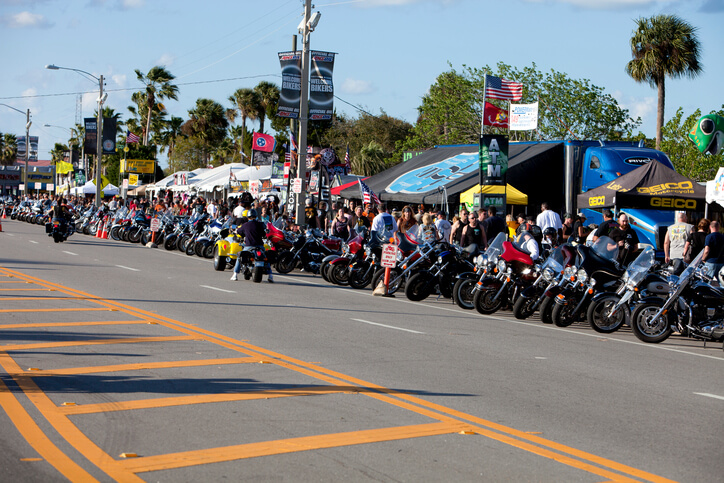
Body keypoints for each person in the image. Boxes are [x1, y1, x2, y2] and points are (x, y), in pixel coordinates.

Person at [230, 209, 273, 283]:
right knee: (265, 258)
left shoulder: (245, 225)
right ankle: (270, 276)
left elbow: (238, 231)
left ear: (248, 217)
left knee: (239, 257)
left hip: (249, 246)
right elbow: (264, 234)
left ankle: (235, 274)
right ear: (256, 216)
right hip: (260, 246)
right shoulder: (260, 224)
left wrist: (234, 230)